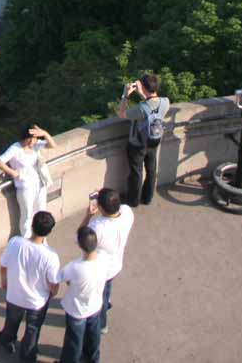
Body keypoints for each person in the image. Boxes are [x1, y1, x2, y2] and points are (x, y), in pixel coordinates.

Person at [0, 210, 61, 362]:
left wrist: (4, 281)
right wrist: (53, 293)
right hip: (37, 301)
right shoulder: (51, 256)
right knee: (33, 329)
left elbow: (3, 265)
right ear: (49, 231)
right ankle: (27, 356)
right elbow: (54, 283)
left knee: (12, 320)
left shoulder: (15, 242)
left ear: (32, 225)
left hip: (14, 294)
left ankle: (7, 339)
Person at [81, 187, 133, 336]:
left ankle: (101, 324)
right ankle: (106, 304)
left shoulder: (98, 227)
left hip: (101, 270)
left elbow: (80, 238)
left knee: (100, 298)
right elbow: (121, 205)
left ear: (101, 208)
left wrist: (88, 216)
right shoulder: (127, 213)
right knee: (107, 289)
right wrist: (107, 194)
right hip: (116, 264)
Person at [0, 124, 57, 238]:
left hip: (39, 184)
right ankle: (27, 240)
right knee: (27, 215)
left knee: (41, 212)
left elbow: (52, 145)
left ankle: (40, 239)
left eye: (34, 139)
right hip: (25, 186)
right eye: (29, 140)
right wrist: (14, 173)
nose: (32, 142)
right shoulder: (15, 148)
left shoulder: (35, 145)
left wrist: (44, 133)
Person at [58, 226, 108, 363]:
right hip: (95, 306)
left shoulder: (75, 267)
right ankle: (93, 360)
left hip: (77, 310)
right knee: (93, 337)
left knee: (74, 342)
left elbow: (60, 277)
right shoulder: (103, 260)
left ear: (80, 245)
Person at [118, 72, 169, 206]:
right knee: (151, 170)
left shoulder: (141, 108)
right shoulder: (165, 102)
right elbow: (152, 106)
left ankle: (133, 200)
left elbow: (122, 114)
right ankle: (147, 198)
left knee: (136, 172)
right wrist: (143, 93)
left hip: (137, 144)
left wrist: (125, 95)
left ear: (145, 88)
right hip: (154, 140)